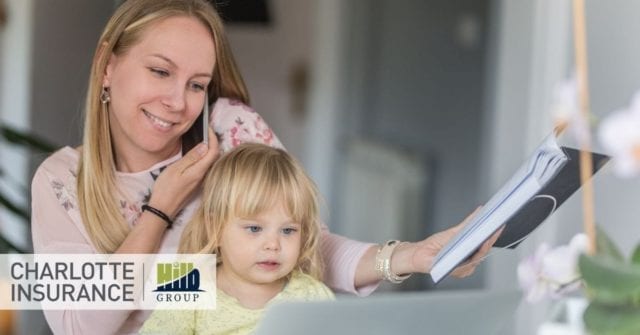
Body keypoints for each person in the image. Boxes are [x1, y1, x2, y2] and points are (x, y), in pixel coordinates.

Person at [30, 0, 499, 334]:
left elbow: (307, 244)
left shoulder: (231, 130)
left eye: (197, 84)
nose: (177, 102)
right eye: (160, 71)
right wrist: (161, 209)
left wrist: (411, 256)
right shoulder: (60, 180)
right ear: (107, 65)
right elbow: (82, 326)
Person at [140, 143, 335, 334]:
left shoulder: (312, 296)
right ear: (214, 228)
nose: (273, 245)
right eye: (254, 228)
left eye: (287, 231)